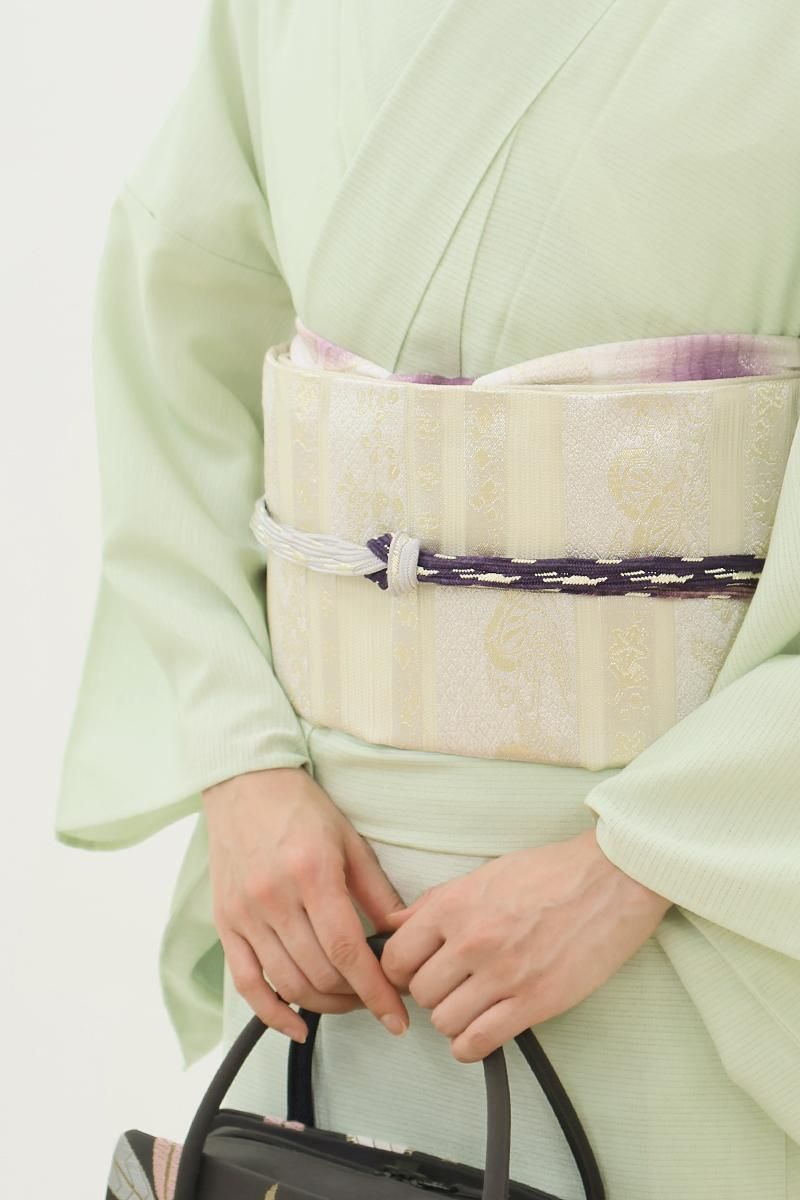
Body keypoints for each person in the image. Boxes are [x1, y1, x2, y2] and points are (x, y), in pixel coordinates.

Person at [54, 2, 800, 1196]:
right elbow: (176, 347)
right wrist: (242, 772)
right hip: (322, 910)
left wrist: (636, 867)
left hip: (704, 926)